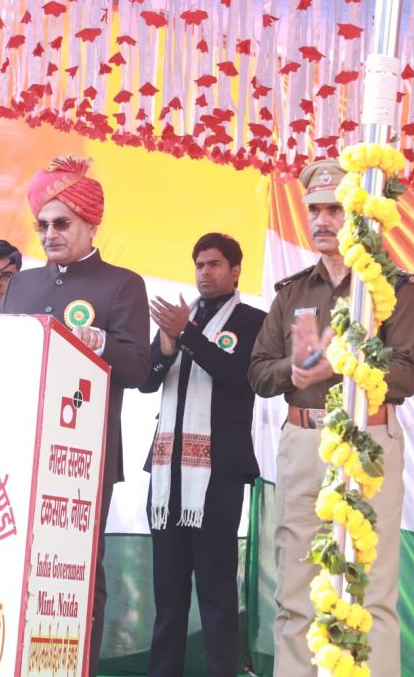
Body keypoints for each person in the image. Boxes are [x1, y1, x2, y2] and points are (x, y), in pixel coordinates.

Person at [248, 159, 414, 676]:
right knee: (296, 588)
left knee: (372, 591)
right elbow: (258, 373)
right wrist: (297, 371)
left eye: (335, 210)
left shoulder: (394, 288)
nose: (322, 221)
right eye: (314, 211)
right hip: (304, 440)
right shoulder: (293, 293)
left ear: (361, 216)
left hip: (369, 439)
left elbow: (407, 375)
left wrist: (348, 366)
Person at [0, 155, 150, 672]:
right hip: (19, 449)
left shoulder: (121, 284)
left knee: (77, 568)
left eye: (61, 223)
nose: (50, 234)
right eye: (42, 225)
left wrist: (100, 342)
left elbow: (139, 369)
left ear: (90, 224)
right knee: (15, 561)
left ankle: (77, 664)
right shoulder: (21, 285)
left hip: (83, 455)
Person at [138, 233, 265, 677]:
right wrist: (166, 345)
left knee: (215, 591)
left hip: (219, 473)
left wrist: (187, 335)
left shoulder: (253, 321)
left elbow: (239, 377)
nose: (204, 272)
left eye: (214, 264)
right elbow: (146, 381)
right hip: (167, 472)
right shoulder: (180, 319)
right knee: (168, 594)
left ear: (235, 271)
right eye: (199, 265)